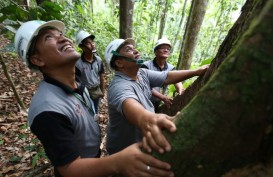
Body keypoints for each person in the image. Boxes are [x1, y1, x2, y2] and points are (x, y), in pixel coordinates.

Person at [14, 20, 175, 177]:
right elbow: (70, 169)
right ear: (37, 59)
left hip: (93, 160)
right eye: (49, 38)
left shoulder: (76, 84)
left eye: (61, 34)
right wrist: (117, 162)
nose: (64, 38)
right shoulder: (47, 109)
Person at [104, 38, 209, 155]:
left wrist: (196, 71)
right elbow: (130, 105)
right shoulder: (119, 86)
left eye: (134, 48)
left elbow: (167, 76)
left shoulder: (141, 74)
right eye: (129, 50)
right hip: (124, 152)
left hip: (140, 144)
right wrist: (149, 119)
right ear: (119, 63)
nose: (136, 51)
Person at [141, 38, 185, 111]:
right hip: (143, 102)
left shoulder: (171, 68)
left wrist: (180, 89)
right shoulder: (146, 66)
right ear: (155, 51)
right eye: (162, 48)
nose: (166, 50)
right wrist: (163, 97)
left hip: (156, 105)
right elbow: (145, 86)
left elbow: (177, 80)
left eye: (168, 48)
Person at [75, 30, 105, 114]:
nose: (92, 45)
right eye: (88, 43)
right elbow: (76, 81)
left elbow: (101, 76)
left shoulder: (98, 60)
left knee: (96, 111)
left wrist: (102, 91)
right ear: (82, 47)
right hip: (85, 92)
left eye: (92, 42)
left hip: (96, 91)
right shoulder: (78, 63)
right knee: (90, 112)